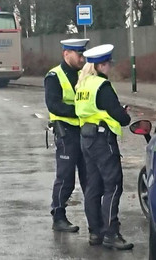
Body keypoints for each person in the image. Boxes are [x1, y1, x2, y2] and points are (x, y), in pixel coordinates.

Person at [74, 44, 134, 250]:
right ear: (101, 65)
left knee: (93, 186)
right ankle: (111, 233)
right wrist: (124, 114)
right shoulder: (102, 86)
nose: (110, 67)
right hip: (102, 140)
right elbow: (120, 117)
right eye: (108, 64)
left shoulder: (83, 84)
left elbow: (91, 110)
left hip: (86, 138)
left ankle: (95, 233)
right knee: (113, 185)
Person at [44, 38, 89, 232]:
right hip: (66, 133)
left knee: (91, 177)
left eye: (83, 54)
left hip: (87, 132)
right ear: (66, 54)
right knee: (66, 177)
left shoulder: (86, 74)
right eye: (78, 54)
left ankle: (96, 220)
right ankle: (59, 216)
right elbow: (53, 105)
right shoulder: (54, 76)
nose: (82, 58)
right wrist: (79, 111)